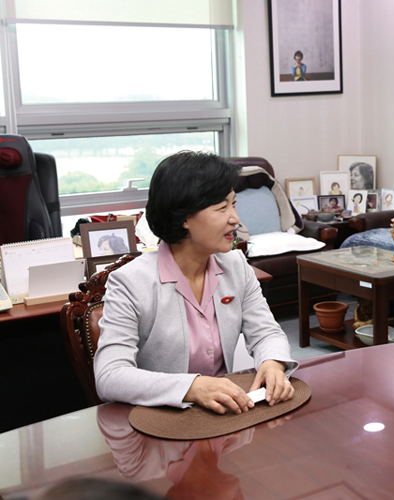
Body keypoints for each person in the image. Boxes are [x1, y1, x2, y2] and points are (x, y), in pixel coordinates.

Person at [94, 151, 297, 414]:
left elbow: (266, 333)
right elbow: (110, 376)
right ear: (184, 218)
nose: (235, 218)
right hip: (162, 422)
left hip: (225, 415)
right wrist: (193, 387)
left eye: (234, 204)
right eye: (221, 208)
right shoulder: (130, 282)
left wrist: (272, 363)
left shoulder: (236, 266)